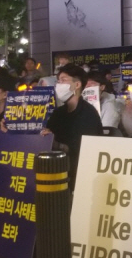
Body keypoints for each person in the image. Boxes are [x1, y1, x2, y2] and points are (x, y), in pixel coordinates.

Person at [43, 64, 103, 192]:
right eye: (58, 81)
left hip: (78, 178)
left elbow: (84, 151)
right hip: (55, 171)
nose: (59, 84)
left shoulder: (88, 114)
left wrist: (56, 144)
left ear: (77, 85)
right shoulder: (59, 113)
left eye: (63, 80)